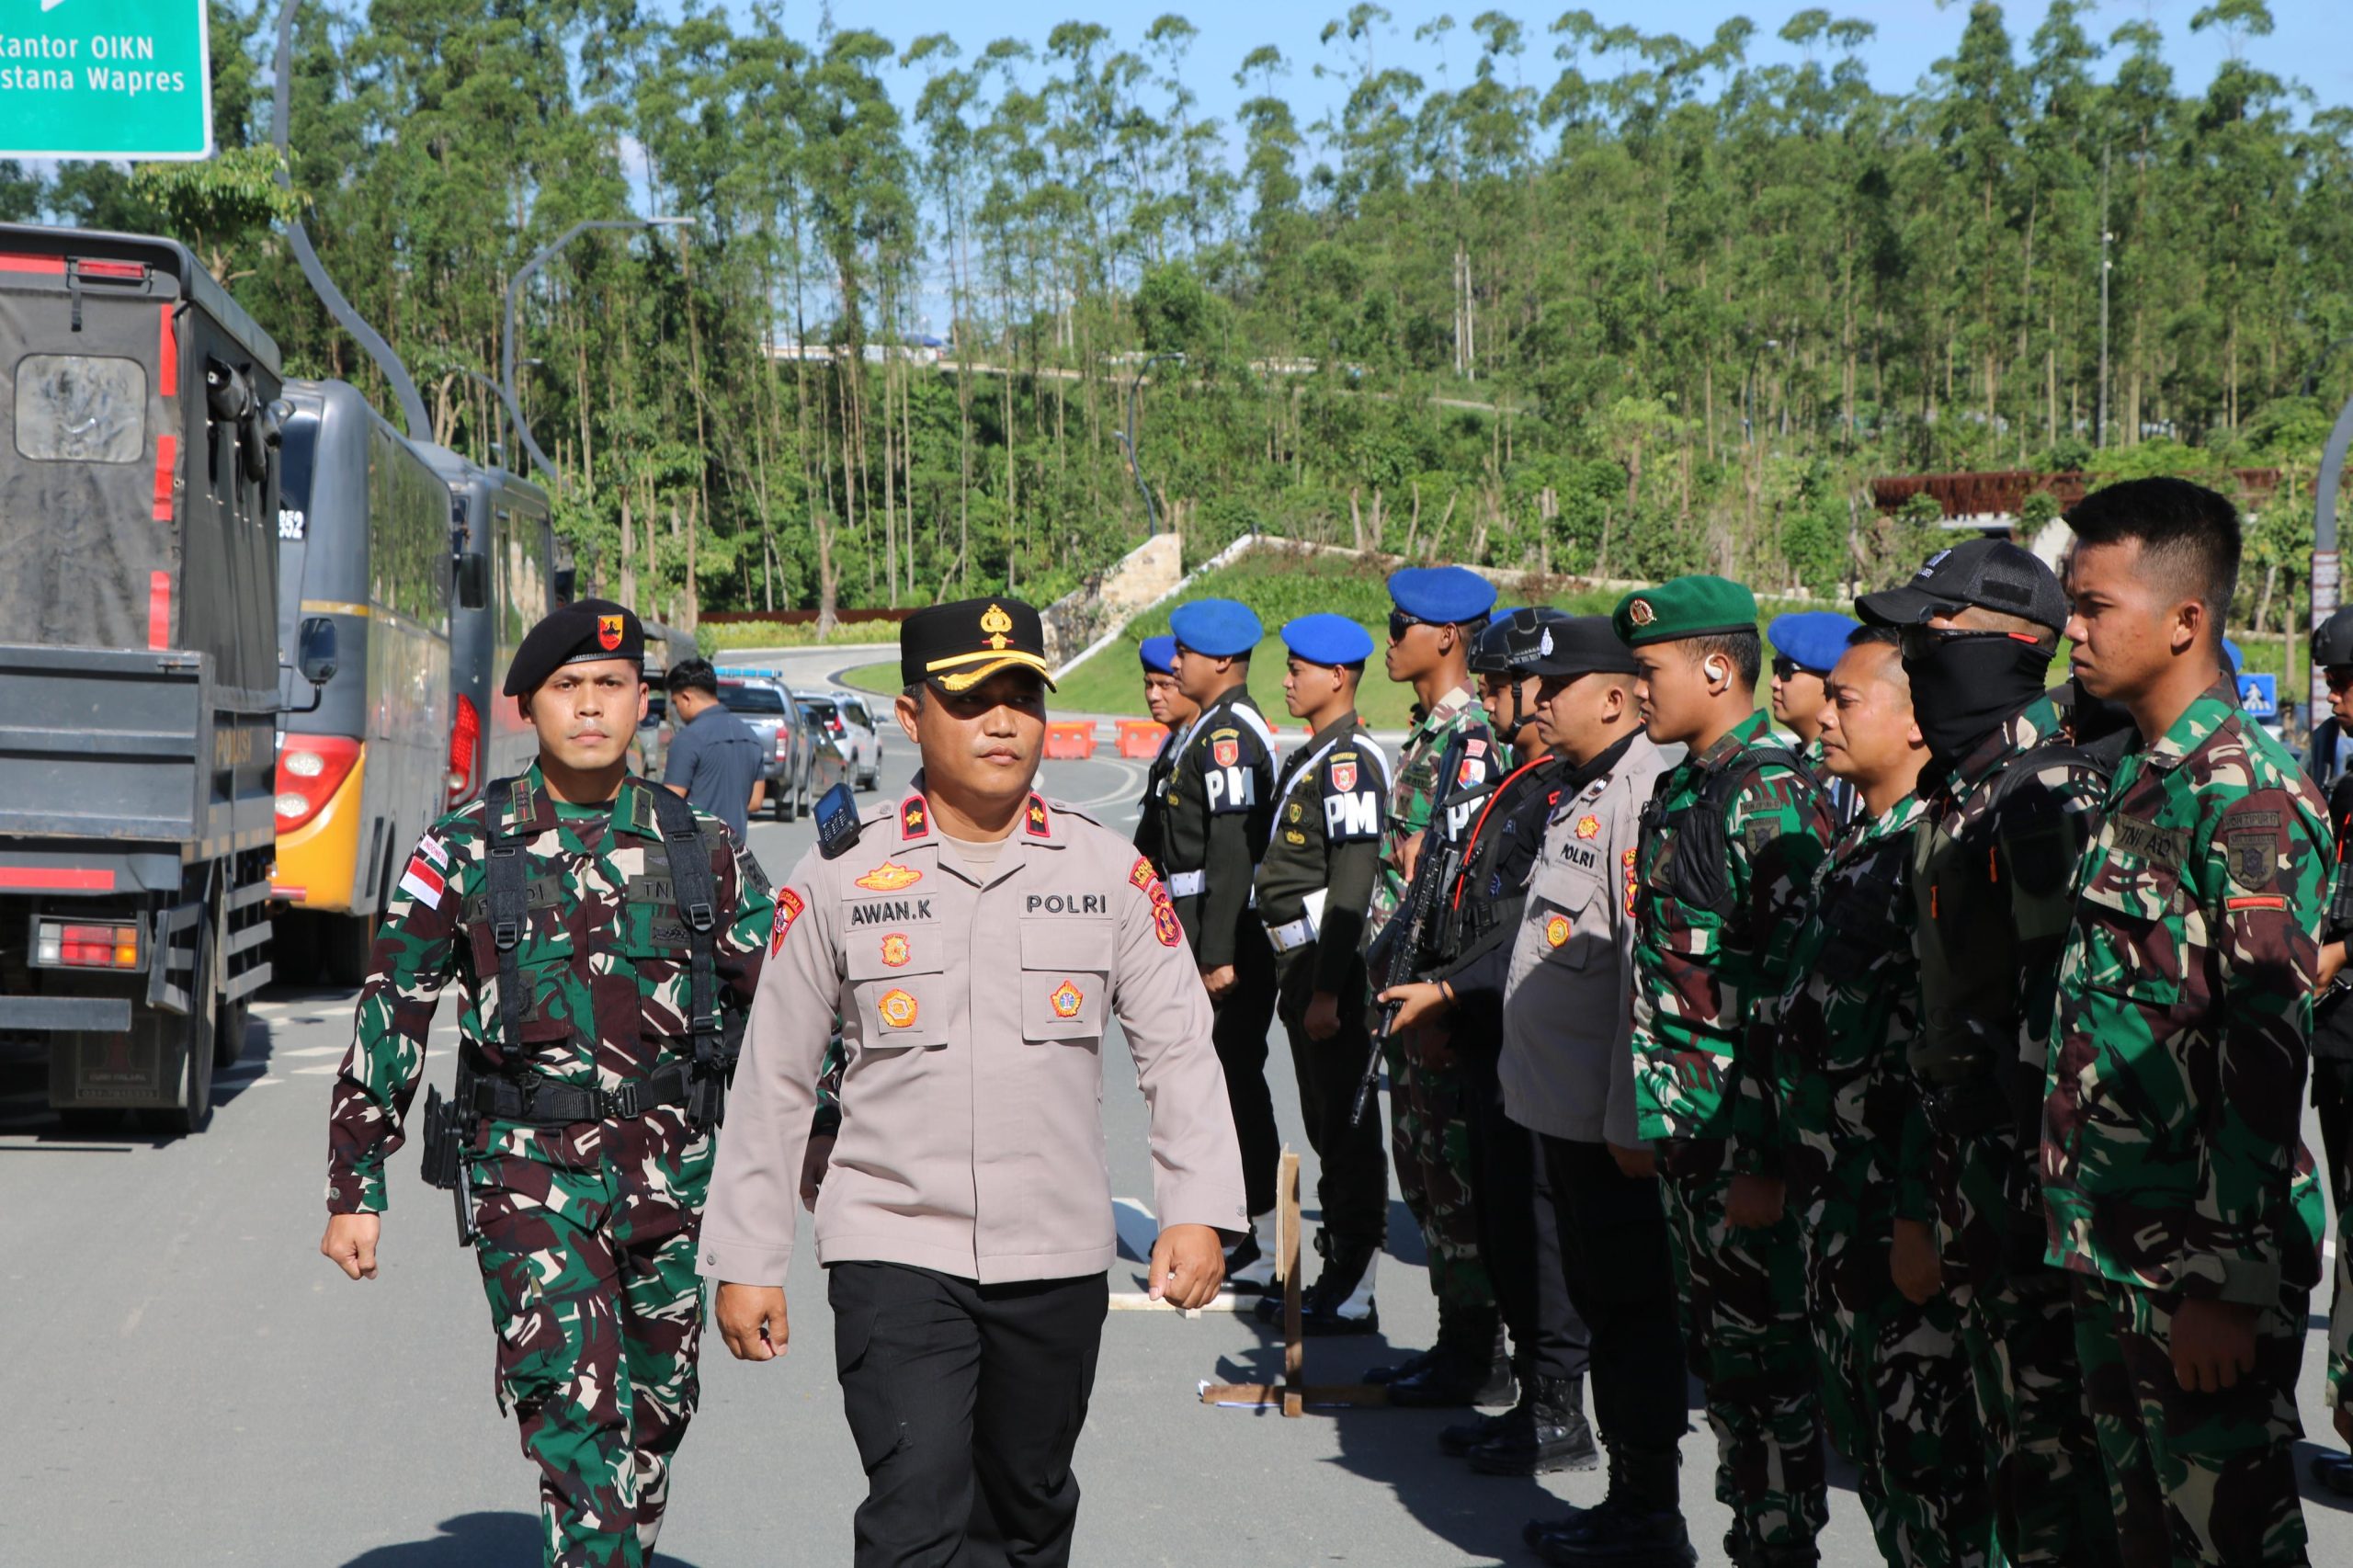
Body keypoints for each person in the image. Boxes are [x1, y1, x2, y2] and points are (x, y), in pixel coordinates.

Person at [702, 597, 1245, 1568]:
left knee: (1026, 1513)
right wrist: (749, 1254)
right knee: (914, 1508)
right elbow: (775, 1071)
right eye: (971, 700)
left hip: (1054, 1253)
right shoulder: (839, 874)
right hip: (895, 1246)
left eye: (1022, 697)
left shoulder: (1108, 870)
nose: (1003, 722)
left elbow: (1178, 1049)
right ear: (911, 717)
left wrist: (1197, 1207)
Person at [318, 599, 774, 1568]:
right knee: (576, 1419)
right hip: (528, 1182)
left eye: (611, 685)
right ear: (528, 705)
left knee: (655, 1416)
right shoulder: (466, 845)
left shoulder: (703, 846)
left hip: (672, 1180)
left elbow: (784, 1014)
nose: (591, 705)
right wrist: (357, 1182)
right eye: (567, 686)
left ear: (644, 701)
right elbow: (394, 1007)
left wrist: (824, 1152)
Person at [2045, 477, 2327, 1565]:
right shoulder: (2146, 774)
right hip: (2115, 1240)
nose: (2071, 631)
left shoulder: (2245, 796)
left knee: (2231, 1540)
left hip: (2191, 1263)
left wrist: (2224, 1277)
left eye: (2093, 606)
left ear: (2183, 620)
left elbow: (2264, 1045)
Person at [1856, 536, 2121, 1568]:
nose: (1914, 661)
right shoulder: (1967, 786)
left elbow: (2059, 1035)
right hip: (1973, 1191)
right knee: (2009, 1466)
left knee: (2057, 1485)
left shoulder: (2042, 790)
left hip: (2032, 1217)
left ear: (2008, 645)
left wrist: (2017, 1216)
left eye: (1930, 638)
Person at [1615, 574, 1836, 1568]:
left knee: (1767, 1374)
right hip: (1691, 1138)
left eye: (1649, 669)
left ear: (1716, 668)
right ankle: (1754, 1536)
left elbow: (1790, 1000)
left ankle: (1778, 1548)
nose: (1636, 688)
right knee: (1728, 1370)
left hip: (1740, 1147)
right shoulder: (1688, 784)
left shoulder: (1768, 791)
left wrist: (1763, 1158)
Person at [1763, 625, 1990, 1567]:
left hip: (1894, 1216)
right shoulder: (1856, 841)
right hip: (1835, 1211)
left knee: (1934, 1479)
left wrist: (1914, 1215)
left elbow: (1943, 1060)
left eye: (1846, 699)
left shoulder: (1931, 855)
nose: (1823, 714)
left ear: (1915, 722)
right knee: (1881, 1464)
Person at [1381, 608, 1598, 1451]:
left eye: (1511, 686)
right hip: (1487, 1031)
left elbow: (1524, 930)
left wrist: (1449, 991)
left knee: (1536, 1231)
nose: (1505, 701)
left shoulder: (1563, 793)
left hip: (1528, 1039)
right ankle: (1522, 1391)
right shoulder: (1525, 785)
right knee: (1500, 1219)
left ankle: (1555, 1410)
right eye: (1504, 686)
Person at [1504, 617, 1691, 1567]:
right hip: (1563, 1112)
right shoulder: (1582, 787)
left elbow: (1637, 980)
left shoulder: (1636, 796)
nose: (1538, 704)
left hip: (1607, 1126)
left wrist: (1630, 1118)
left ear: (1614, 698)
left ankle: (1646, 1509)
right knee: (1600, 1304)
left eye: (1555, 689)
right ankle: (1628, 1499)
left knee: (1628, 1318)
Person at [1362, 563, 1508, 1405]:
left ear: (1446, 636)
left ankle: (1480, 1355)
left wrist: (1444, 998)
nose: (1388, 640)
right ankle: (1456, 1340)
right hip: (1403, 991)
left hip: (1436, 1000)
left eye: (1399, 625)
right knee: (1422, 1173)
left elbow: (1465, 888)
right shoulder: (1432, 732)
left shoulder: (1472, 738)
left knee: (1453, 1177)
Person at [1251, 612, 1390, 1335]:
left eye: (1298, 669)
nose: (1286, 681)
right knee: (1325, 1121)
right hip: (1300, 963)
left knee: (1346, 1130)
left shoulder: (1349, 762)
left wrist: (1330, 990)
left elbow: (1352, 883)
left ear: (1337, 677)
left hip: (1326, 967)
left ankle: (1354, 1285)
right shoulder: (1320, 753)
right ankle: (1337, 1269)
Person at [1162, 597, 1284, 1289]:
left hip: (1228, 940)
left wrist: (1215, 953)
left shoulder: (1230, 733)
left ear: (1222, 660)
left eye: (1186, 652)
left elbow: (1232, 852)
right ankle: (1239, 1228)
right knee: (1220, 1088)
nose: (1176, 662)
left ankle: (1257, 1231)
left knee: (1236, 1085)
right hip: (1210, 932)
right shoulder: (1211, 726)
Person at [2310, 602, 2353, 1497]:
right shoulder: (2345, 786)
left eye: (2348, 682)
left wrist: (2337, 954)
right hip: (2341, 1045)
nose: (2337, 698)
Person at [1767, 611, 1862, 823]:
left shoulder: (1844, 772)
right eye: (1775, 668)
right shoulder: (1805, 762)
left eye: (1785, 671)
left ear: (1831, 680)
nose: (1774, 683)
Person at [663, 657, 767, 841]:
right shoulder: (751, 737)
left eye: (675, 702)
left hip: (695, 850)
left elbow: (669, 804)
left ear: (687, 698)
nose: (676, 709)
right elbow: (755, 802)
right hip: (735, 852)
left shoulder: (687, 739)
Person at [1133, 633, 1196, 878]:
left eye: (1165, 685)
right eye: (1149, 685)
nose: (1153, 695)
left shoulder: (1200, 744)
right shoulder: (1171, 742)